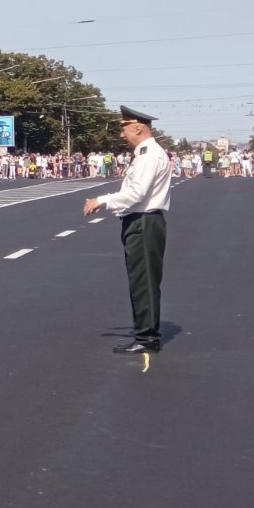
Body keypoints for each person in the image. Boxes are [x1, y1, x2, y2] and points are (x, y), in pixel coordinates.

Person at [84, 106, 172, 354]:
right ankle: (144, 331)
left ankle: (147, 338)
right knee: (140, 280)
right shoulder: (145, 153)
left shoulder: (149, 155)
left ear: (137, 127)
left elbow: (137, 193)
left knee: (143, 281)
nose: (122, 135)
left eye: (124, 129)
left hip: (144, 222)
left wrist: (101, 201)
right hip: (140, 222)